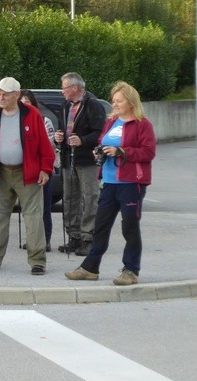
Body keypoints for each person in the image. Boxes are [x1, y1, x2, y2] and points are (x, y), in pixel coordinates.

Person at [66, 82, 156, 286]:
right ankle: (90, 268)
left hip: (132, 183)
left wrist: (122, 152)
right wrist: (99, 151)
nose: (114, 104)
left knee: (129, 227)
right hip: (109, 181)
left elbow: (149, 152)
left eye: (119, 101)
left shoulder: (143, 124)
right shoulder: (112, 122)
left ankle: (131, 270)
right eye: (113, 100)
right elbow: (103, 142)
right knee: (101, 226)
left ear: (131, 102)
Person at [0, 76, 55, 275]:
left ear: (17, 95)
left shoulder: (32, 114)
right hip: (1, 171)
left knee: (33, 217)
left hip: (26, 171)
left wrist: (46, 169)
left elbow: (45, 144)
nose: (0, 97)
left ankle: (38, 261)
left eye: (5, 94)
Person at [54, 72, 106, 256]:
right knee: (69, 199)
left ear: (75, 88)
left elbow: (99, 134)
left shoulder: (93, 105)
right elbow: (62, 129)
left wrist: (82, 140)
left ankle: (88, 238)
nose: (62, 91)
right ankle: (74, 237)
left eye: (64, 87)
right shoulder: (65, 106)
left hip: (87, 160)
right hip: (69, 159)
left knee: (89, 198)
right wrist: (59, 137)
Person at [20, 89, 56, 252]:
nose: (24, 104)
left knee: (44, 206)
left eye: (27, 101)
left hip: (42, 169)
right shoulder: (15, 120)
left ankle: (46, 239)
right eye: (21, 101)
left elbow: (49, 145)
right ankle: (33, 239)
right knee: (29, 208)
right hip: (23, 170)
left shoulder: (44, 120)